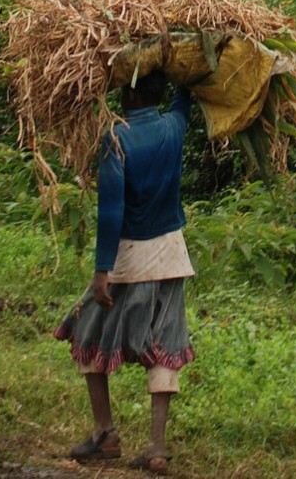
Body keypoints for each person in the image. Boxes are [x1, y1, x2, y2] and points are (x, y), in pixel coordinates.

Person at [55, 69, 194, 475]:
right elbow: (186, 97)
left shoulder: (116, 137)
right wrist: (188, 67)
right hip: (171, 254)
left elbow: (112, 209)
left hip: (130, 258)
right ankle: (156, 448)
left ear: (129, 95)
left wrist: (102, 271)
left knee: (85, 331)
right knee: (166, 345)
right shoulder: (174, 126)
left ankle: (105, 434)